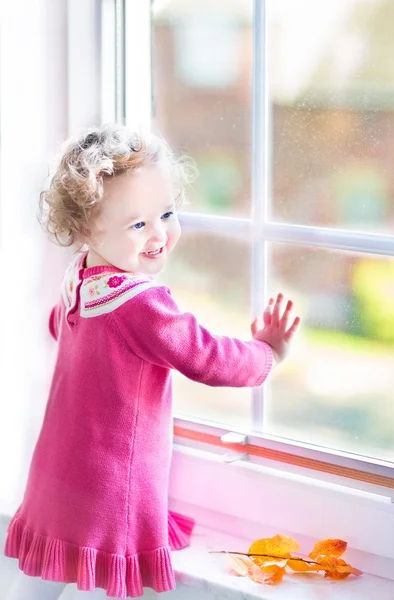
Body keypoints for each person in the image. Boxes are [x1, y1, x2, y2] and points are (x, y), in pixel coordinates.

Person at [4, 124, 300, 599]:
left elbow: (59, 327)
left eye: (167, 212)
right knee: (100, 581)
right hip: (107, 493)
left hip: (57, 474)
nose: (160, 234)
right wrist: (267, 353)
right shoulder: (139, 304)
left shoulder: (80, 275)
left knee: (40, 581)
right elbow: (207, 358)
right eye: (137, 224)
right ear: (86, 228)